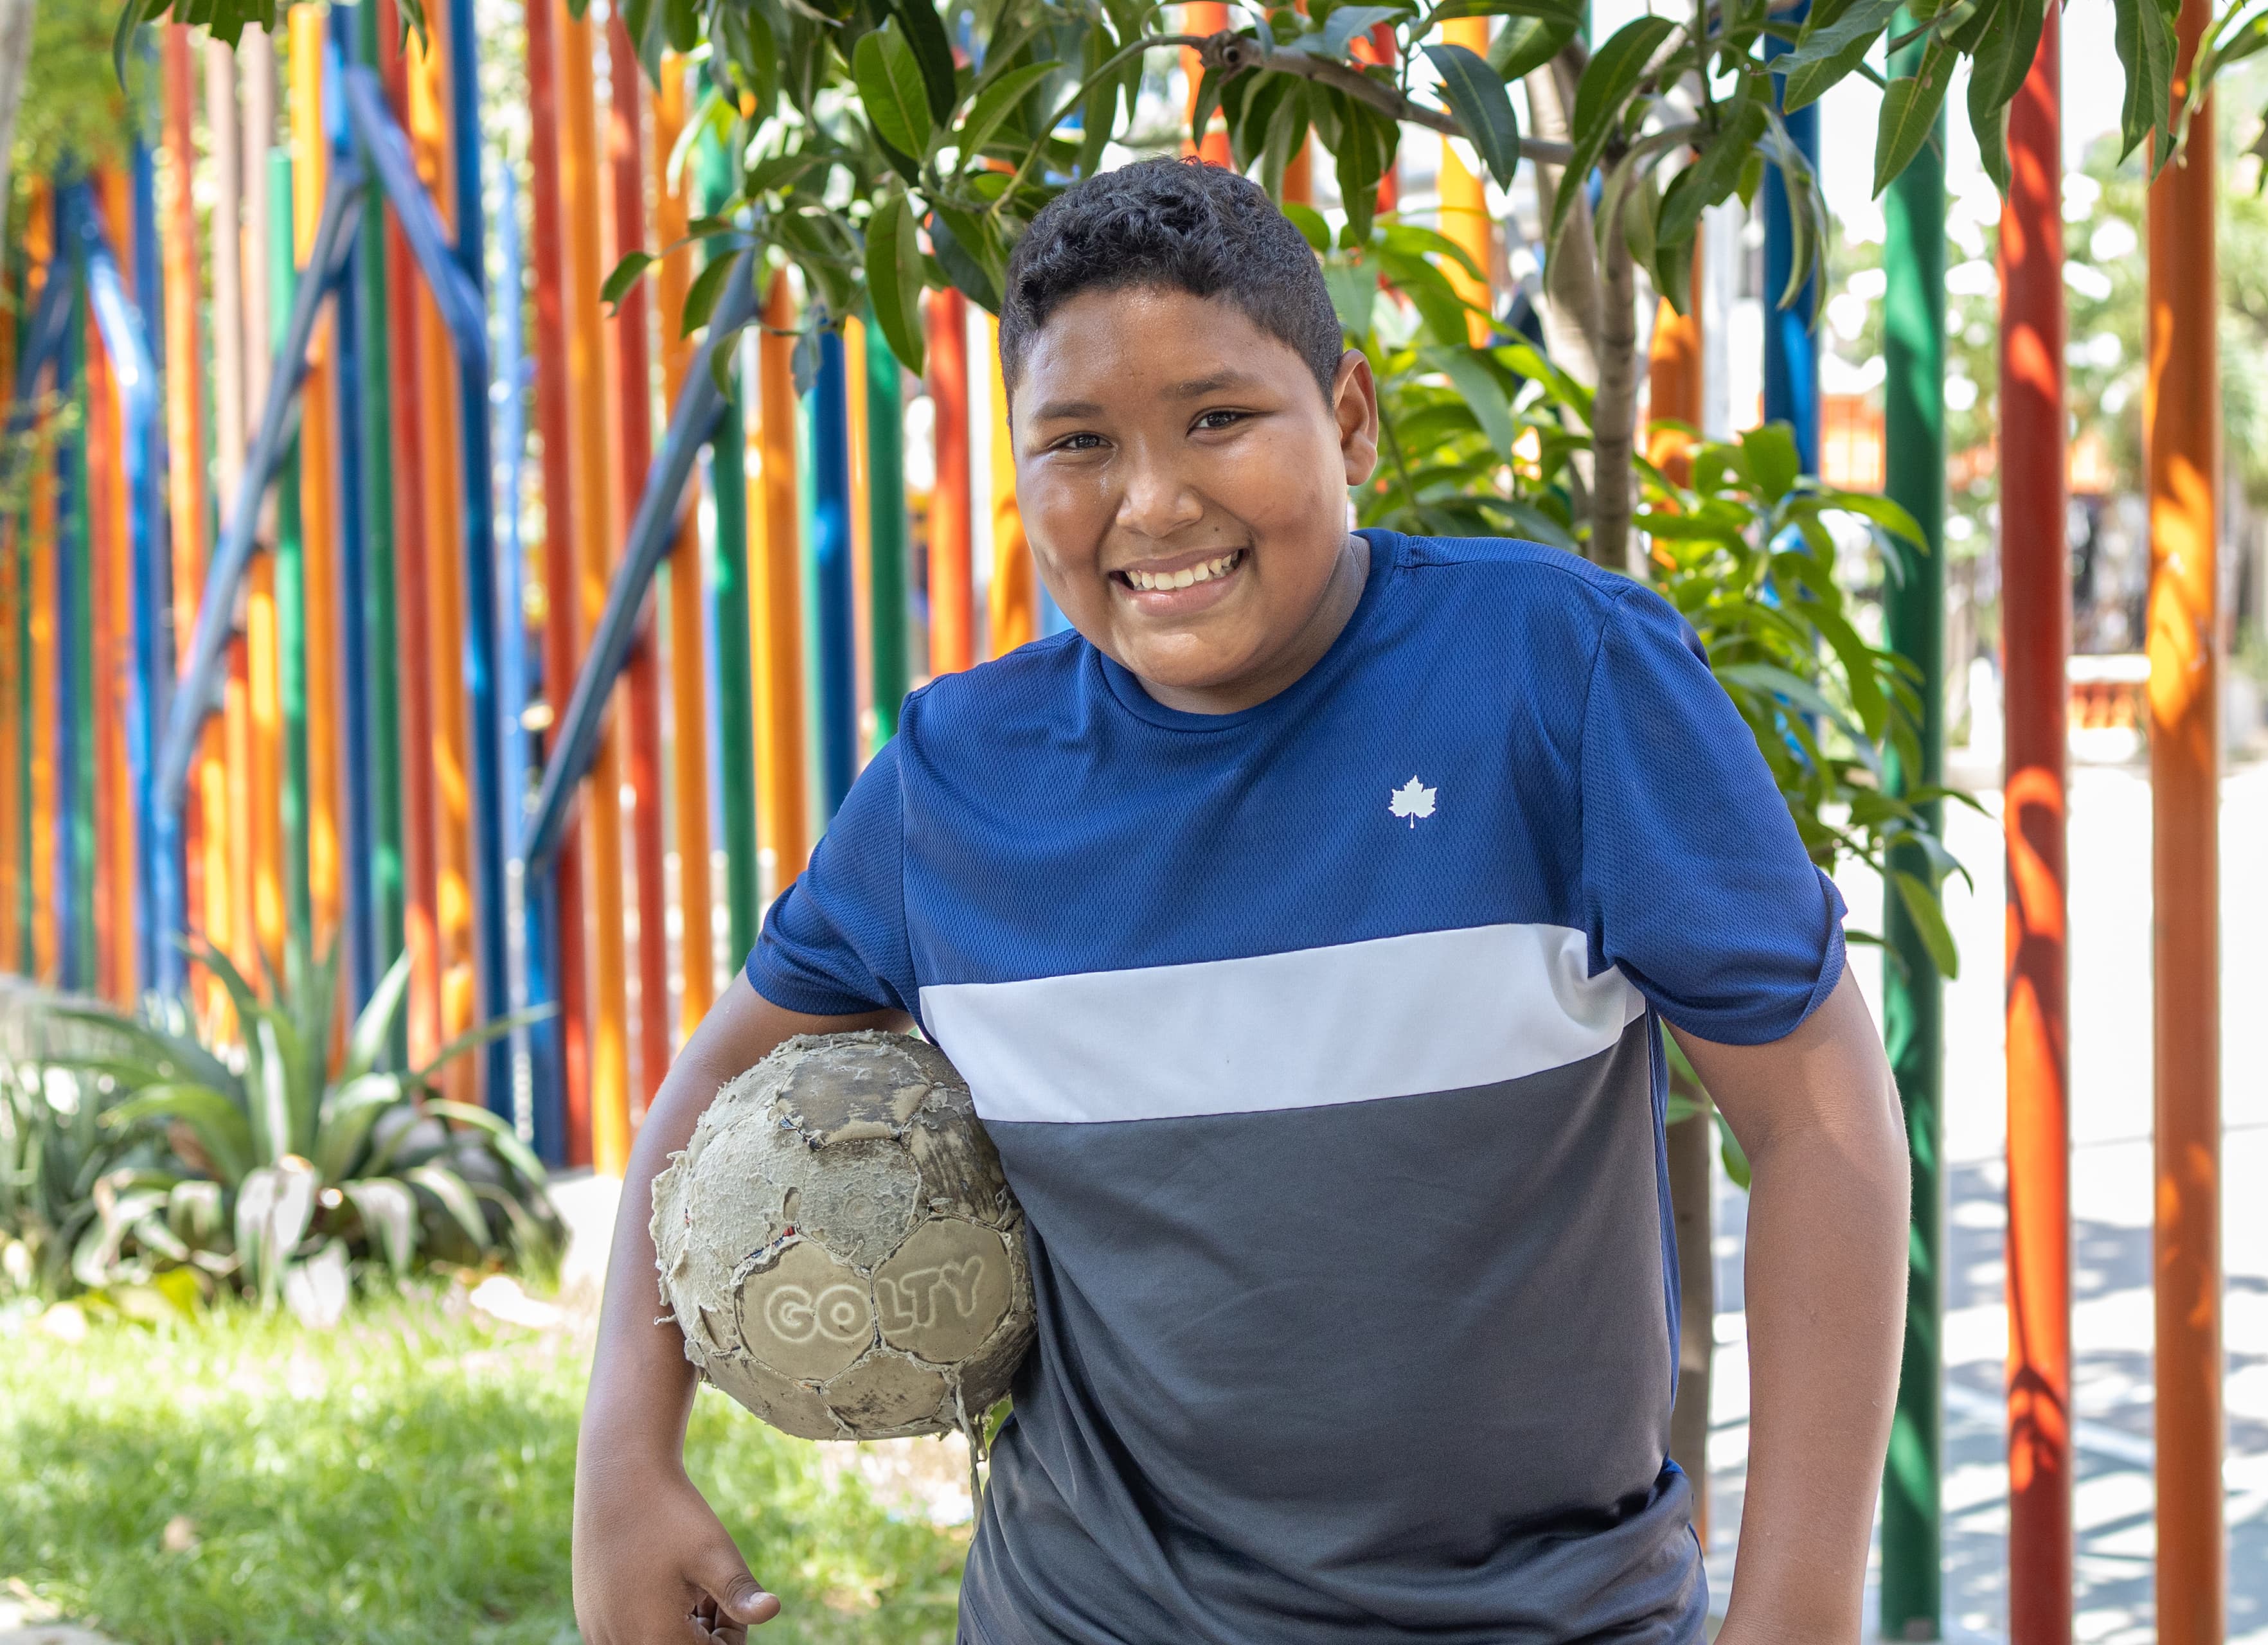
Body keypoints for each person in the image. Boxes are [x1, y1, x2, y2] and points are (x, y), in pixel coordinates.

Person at [571, 156, 1909, 1645]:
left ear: (1347, 422)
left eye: (1218, 417)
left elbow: (1819, 1110)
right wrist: (625, 1457)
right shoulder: (957, 782)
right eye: (1078, 442)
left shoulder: (1561, 677)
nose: (1154, 499)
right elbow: (714, 1083)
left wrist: (1800, 1606)